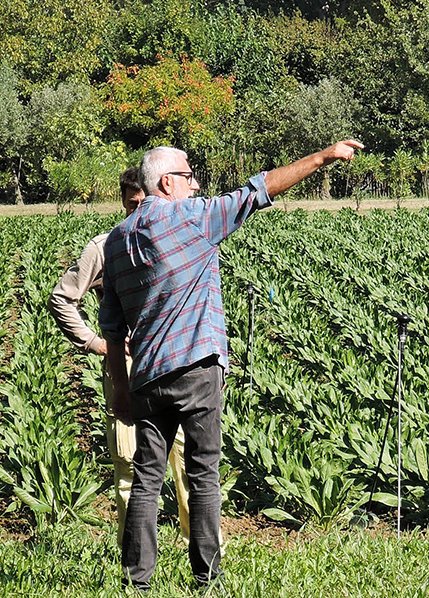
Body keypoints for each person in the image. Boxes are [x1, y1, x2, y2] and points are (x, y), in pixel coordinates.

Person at [100, 140, 363, 591]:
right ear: (167, 183)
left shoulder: (118, 239)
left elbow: (111, 322)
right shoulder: (192, 218)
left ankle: (136, 582)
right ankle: (207, 580)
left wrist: (120, 388)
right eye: (188, 175)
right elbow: (260, 190)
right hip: (196, 368)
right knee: (204, 474)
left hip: (145, 376)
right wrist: (322, 157)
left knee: (146, 479)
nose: (196, 182)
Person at [47, 167, 191, 546]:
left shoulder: (179, 237)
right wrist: (94, 342)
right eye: (132, 205)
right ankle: (136, 557)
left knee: (188, 460)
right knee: (130, 464)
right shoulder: (105, 246)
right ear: (124, 202)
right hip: (126, 365)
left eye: (144, 202)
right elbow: (62, 298)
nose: (138, 210)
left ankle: (206, 552)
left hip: (175, 358)